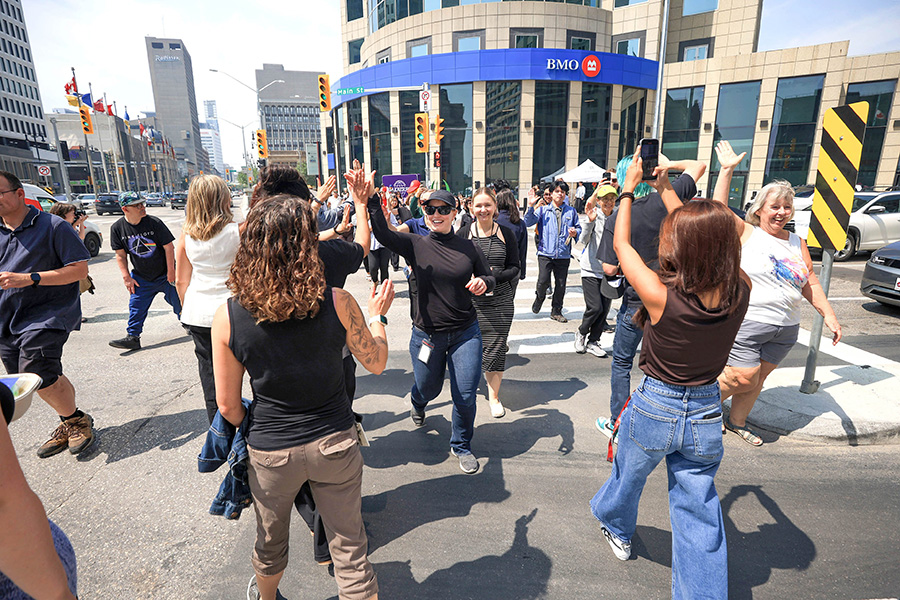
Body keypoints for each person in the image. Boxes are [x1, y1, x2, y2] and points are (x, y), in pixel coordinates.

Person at [590, 150, 751, 599]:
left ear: (684, 245)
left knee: (628, 476)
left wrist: (628, 190)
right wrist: (665, 189)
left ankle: (615, 523)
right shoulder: (741, 288)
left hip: (655, 404)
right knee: (698, 509)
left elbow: (621, 249)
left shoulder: (662, 296)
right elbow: (707, 239)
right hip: (704, 408)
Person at [213, 194, 390, 600]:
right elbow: (376, 362)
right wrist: (378, 316)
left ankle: (266, 596)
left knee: (270, 543)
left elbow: (228, 406)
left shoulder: (229, 315)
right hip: (335, 442)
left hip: (272, 450)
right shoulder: (339, 302)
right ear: (308, 244)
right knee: (350, 548)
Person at [363, 168, 496, 475]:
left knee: (464, 394)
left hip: (466, 333)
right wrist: (371, 198)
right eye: (430, 209)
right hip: (427, 335)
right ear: (424, 212)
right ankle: (418, 402)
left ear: (454, 212)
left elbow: (488, 275)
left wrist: (483, 283)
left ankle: (461, 444)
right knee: (428, 387)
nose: (436, 214)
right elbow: (382, 234)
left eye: (443, 209)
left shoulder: (469, 246)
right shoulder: (416, 243)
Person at [712, 141, 842, 446]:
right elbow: (717, 211)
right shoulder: (748, 233)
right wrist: (727, 170)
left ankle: (737, 421)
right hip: (749, 322)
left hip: (786, 328)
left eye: (787, 206)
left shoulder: (797, 242)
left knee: (757, 381)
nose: (782, 212)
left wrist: (830, 315)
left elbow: (809, 279)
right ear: (759, 210)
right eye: (775, 206)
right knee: (743, 376)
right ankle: (704, 406)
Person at [596, 151, 706, 437]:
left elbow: (608, 268)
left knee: (622, 363)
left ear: (623, 180)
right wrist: (667, 165)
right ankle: (662, 419)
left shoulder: (619, 217)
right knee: (663, 366)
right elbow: (698, 165)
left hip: (637, 301)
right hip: (676, 299)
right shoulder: (673, 192)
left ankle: (618, 423)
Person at [0, 170, 95, 458]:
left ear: (19, 194)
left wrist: (30, 278)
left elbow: (79, 270)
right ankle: (70, 421)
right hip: (7, 318)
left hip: (48, 314)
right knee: (33, 379)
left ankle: (77, 422)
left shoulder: (52, 226)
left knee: (37, 369)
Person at [0, 385, 78, 599]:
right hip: (21, 574)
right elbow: (4, 504)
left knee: (41, 367)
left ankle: (75, 421)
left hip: (18, 572)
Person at [175, 174, 240, 424]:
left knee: (211, 378)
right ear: (222, 198)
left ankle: (221, 432)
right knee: (255, 371)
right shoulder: (237, 232)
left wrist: (187, 307)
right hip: (234, 310)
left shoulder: (186, 236)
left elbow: (181, 281)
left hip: (199, 312)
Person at [457, 187, 520, 418]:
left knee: (496, 347)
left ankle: (494, 397)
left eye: (487, 205)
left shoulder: (506, 233)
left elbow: (515, 267)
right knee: (471, 348)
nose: (483, 210)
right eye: (479, 205)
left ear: (495, 207)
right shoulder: (463, 233)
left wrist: (492, 278)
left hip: (500, 301)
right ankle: (469, 387)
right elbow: (454, 265)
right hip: (471, 302)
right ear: (471, 207)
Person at [109, 192, 181, 351]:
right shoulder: (117, 228)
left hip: (165, 274)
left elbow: (169, 247)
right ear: (125, 209)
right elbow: (120, 255)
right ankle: (133, 337)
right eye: (137, 205)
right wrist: (126, 277)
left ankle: (189, 324)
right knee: (136, 306)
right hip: (141, 277)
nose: (142, 207)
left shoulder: (154, 222)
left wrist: (171, 272)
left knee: (179, 301)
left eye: (142, 203)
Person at [524, 180, 581, 322]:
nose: (560, 194)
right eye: (557, 191)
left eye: (562, 192)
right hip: (545, 253)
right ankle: (540, 297)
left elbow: (579, 228)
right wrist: (530, 206)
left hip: (563, 254)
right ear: (552, 193)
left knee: (561, 284)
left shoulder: (571, 211)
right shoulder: (543, 210)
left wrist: (575, 232)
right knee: (543, 280)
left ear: (565, 194)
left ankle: (556, 311)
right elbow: (527, 222)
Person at [575, 185, 617, 358]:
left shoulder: (618, 217)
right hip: (591, 269)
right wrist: (589, 222)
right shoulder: (594, 216)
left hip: (610, 270)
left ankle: (593, 341)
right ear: (598, 201)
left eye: (612, 199)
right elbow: (583, 240)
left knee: (604, 309)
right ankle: (581, 332)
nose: (608, 202)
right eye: (604, 199)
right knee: (595, 307)